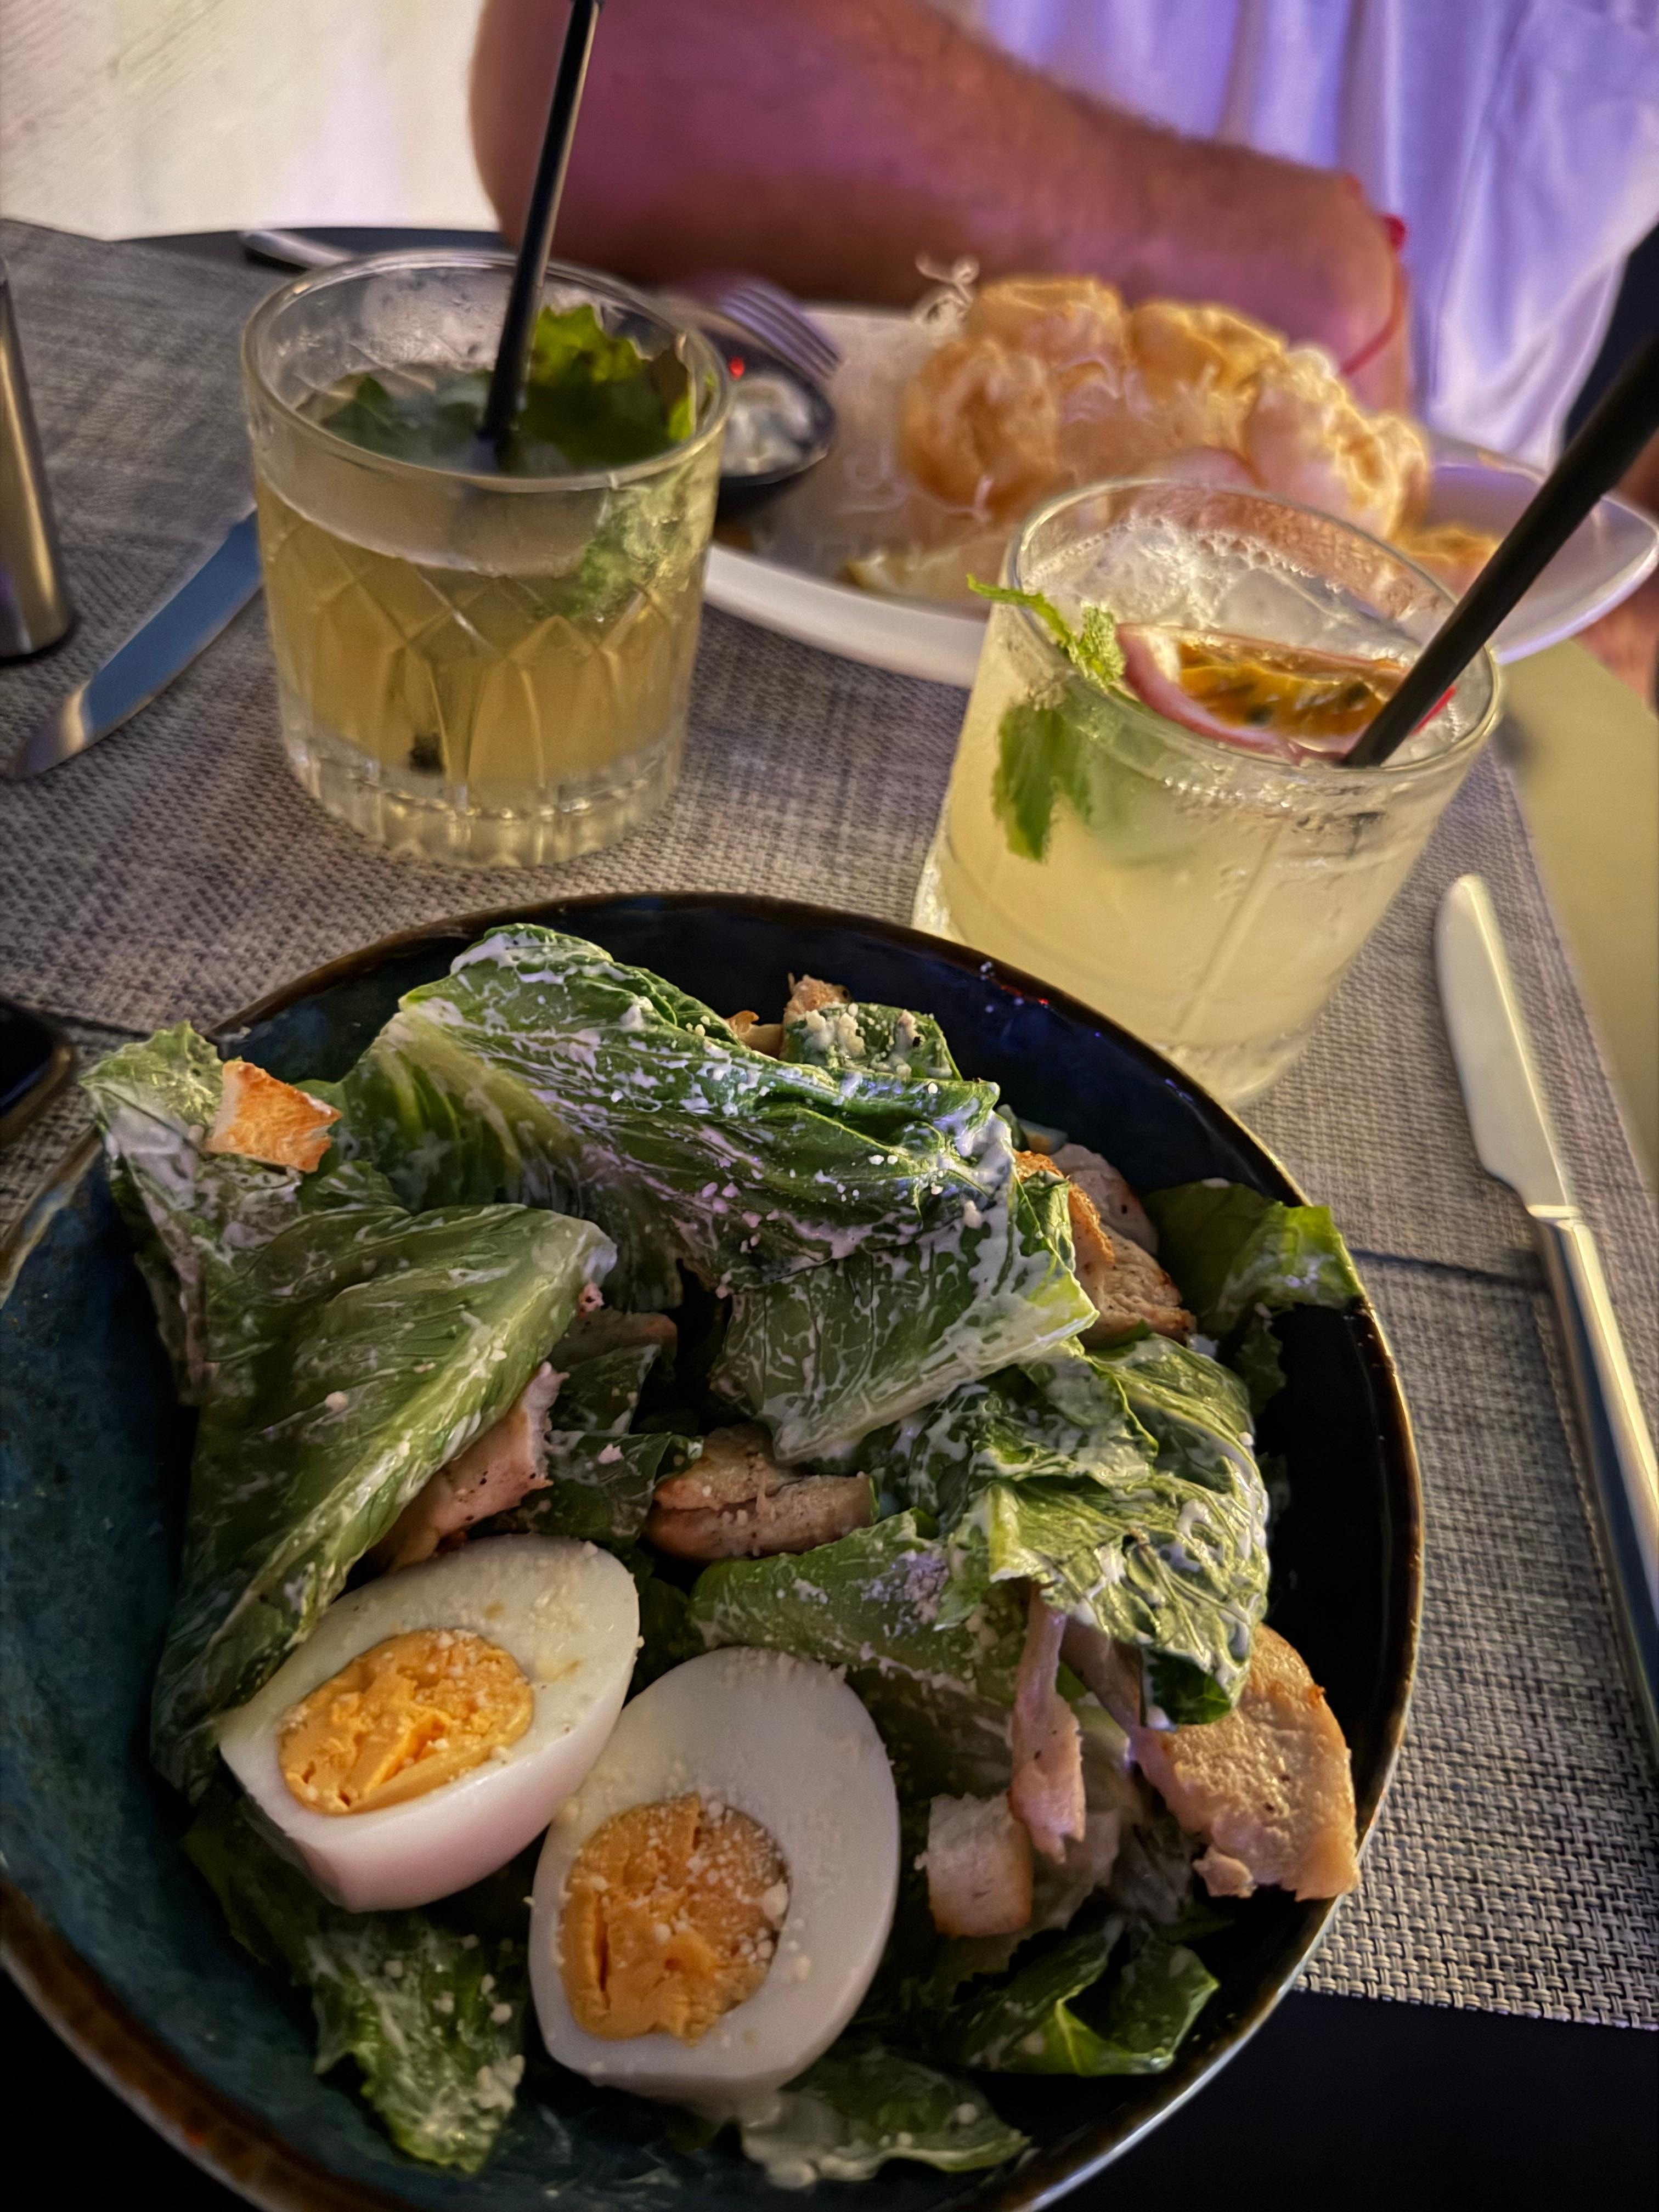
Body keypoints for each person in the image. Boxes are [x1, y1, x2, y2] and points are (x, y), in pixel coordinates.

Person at [470, 0, 1659, 695]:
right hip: (699, 627)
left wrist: (1627, 588)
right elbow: (607, 66)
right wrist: (1277, 260)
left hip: (1451, 680)